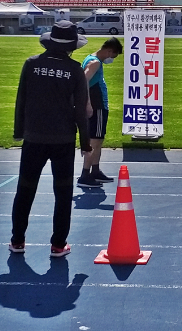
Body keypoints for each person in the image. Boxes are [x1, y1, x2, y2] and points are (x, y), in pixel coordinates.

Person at [10, 20, 92, 258]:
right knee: (63, 193)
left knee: (25, 190)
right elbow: (80, 111)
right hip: (63, 140)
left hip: (34, 137)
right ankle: (58, 244)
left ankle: (17, 240)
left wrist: (19, 131)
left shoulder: (32, 64)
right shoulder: (75, 70)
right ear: (72, 46)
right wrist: (85, 143)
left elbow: (21, 100)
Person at [78, 37, 123, 187]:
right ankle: (85, 174)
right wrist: (88, 103)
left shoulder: (93, 60)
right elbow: (84, 80)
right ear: (109, 51)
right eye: (113, 56)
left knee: (99, 140)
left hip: (99, 106)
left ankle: (95, 171)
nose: (112, 59)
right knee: (94, 141)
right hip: (96, 107)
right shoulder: (95, 62)